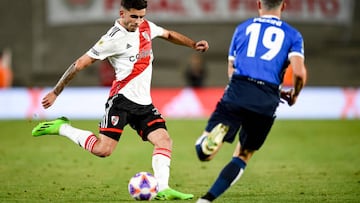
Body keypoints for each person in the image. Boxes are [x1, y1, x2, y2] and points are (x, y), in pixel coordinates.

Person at [31, 0, 208, 200]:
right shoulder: (112, 39)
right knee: (103, 150)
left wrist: (193, 44)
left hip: (144, 104)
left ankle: (163, 187)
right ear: (122, 13)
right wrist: (56, 92)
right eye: (134, 16)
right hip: (121, 101)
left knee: (164, 140)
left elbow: (168, 34)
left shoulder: (146, 26)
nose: (139, 21)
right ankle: (62, 127)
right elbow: (79, 64)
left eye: (142, 16)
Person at [194, 0, 307, 202]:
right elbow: (298, 73)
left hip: (238, 90)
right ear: (284, 6)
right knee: (243, 155)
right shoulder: (293, 35)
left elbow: (232, 69)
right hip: (267, 98)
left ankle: (210, 141)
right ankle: (206, 200)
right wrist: (294, 94)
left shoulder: (243, 28)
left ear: (258, 4)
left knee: (204, 154)